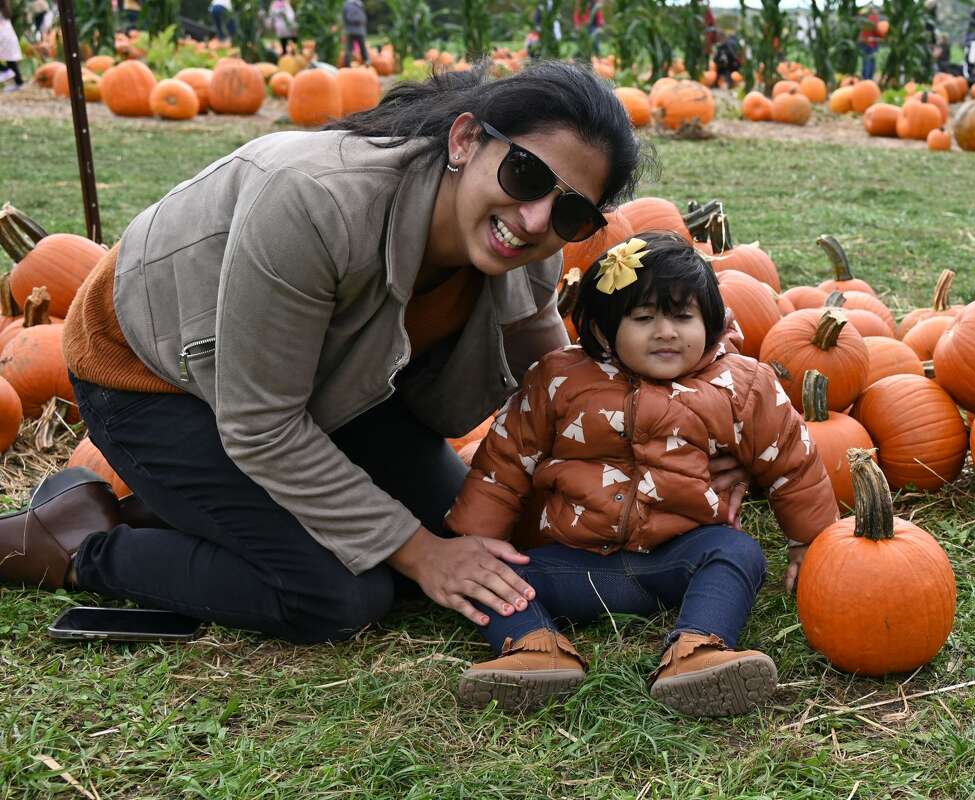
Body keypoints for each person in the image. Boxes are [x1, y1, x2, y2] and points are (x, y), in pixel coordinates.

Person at [0, 63, 682, 646]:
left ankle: (195, 511)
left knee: (455, 529)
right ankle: (80, 546)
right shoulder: (315, 202)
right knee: (341, 593)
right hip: (155, 375)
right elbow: (262, 424)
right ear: (468, 139)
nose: (536, 221)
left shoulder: (531, 250)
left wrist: (647, 448)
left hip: (331, 385)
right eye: (526, 173)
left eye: (571, 213)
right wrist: (421, 556)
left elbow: (548, 382)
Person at [449, 233, 839, 715]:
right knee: (490, 573)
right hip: (579, 563)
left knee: (738, 551)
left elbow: (791, 461)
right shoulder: (558, 380)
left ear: (710, 321)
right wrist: (475, 537)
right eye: (643, 317)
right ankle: (534, 647)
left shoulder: (741, 385)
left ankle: (698, 649)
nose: (666, 332)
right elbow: (504, 461)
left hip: (681, 558)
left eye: (682, 316)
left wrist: (811, 543)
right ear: (605, 329)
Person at [0, 0, 22, 93]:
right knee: (11, 61)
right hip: (9, 37)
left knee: (10, 62)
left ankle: (6, 71)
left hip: (3, 38)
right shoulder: (5, 10)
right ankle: (19, 82)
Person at [858, 5, 883, 81]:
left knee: (866, 62)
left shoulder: (865, 17)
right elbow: (878, 32)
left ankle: (866, 80)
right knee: (869, 63)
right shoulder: (874, 18)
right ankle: (867, 81)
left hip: (866, 43)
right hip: (870, 44)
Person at [342, 0, 368, 65]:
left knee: (348, 48)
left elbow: (344, 17)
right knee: (363, 47)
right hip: (360, 30)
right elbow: (364, 17)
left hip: (350, 30)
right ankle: (367, 62)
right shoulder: (359, 4)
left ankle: (347, 64)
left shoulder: (346, 5)